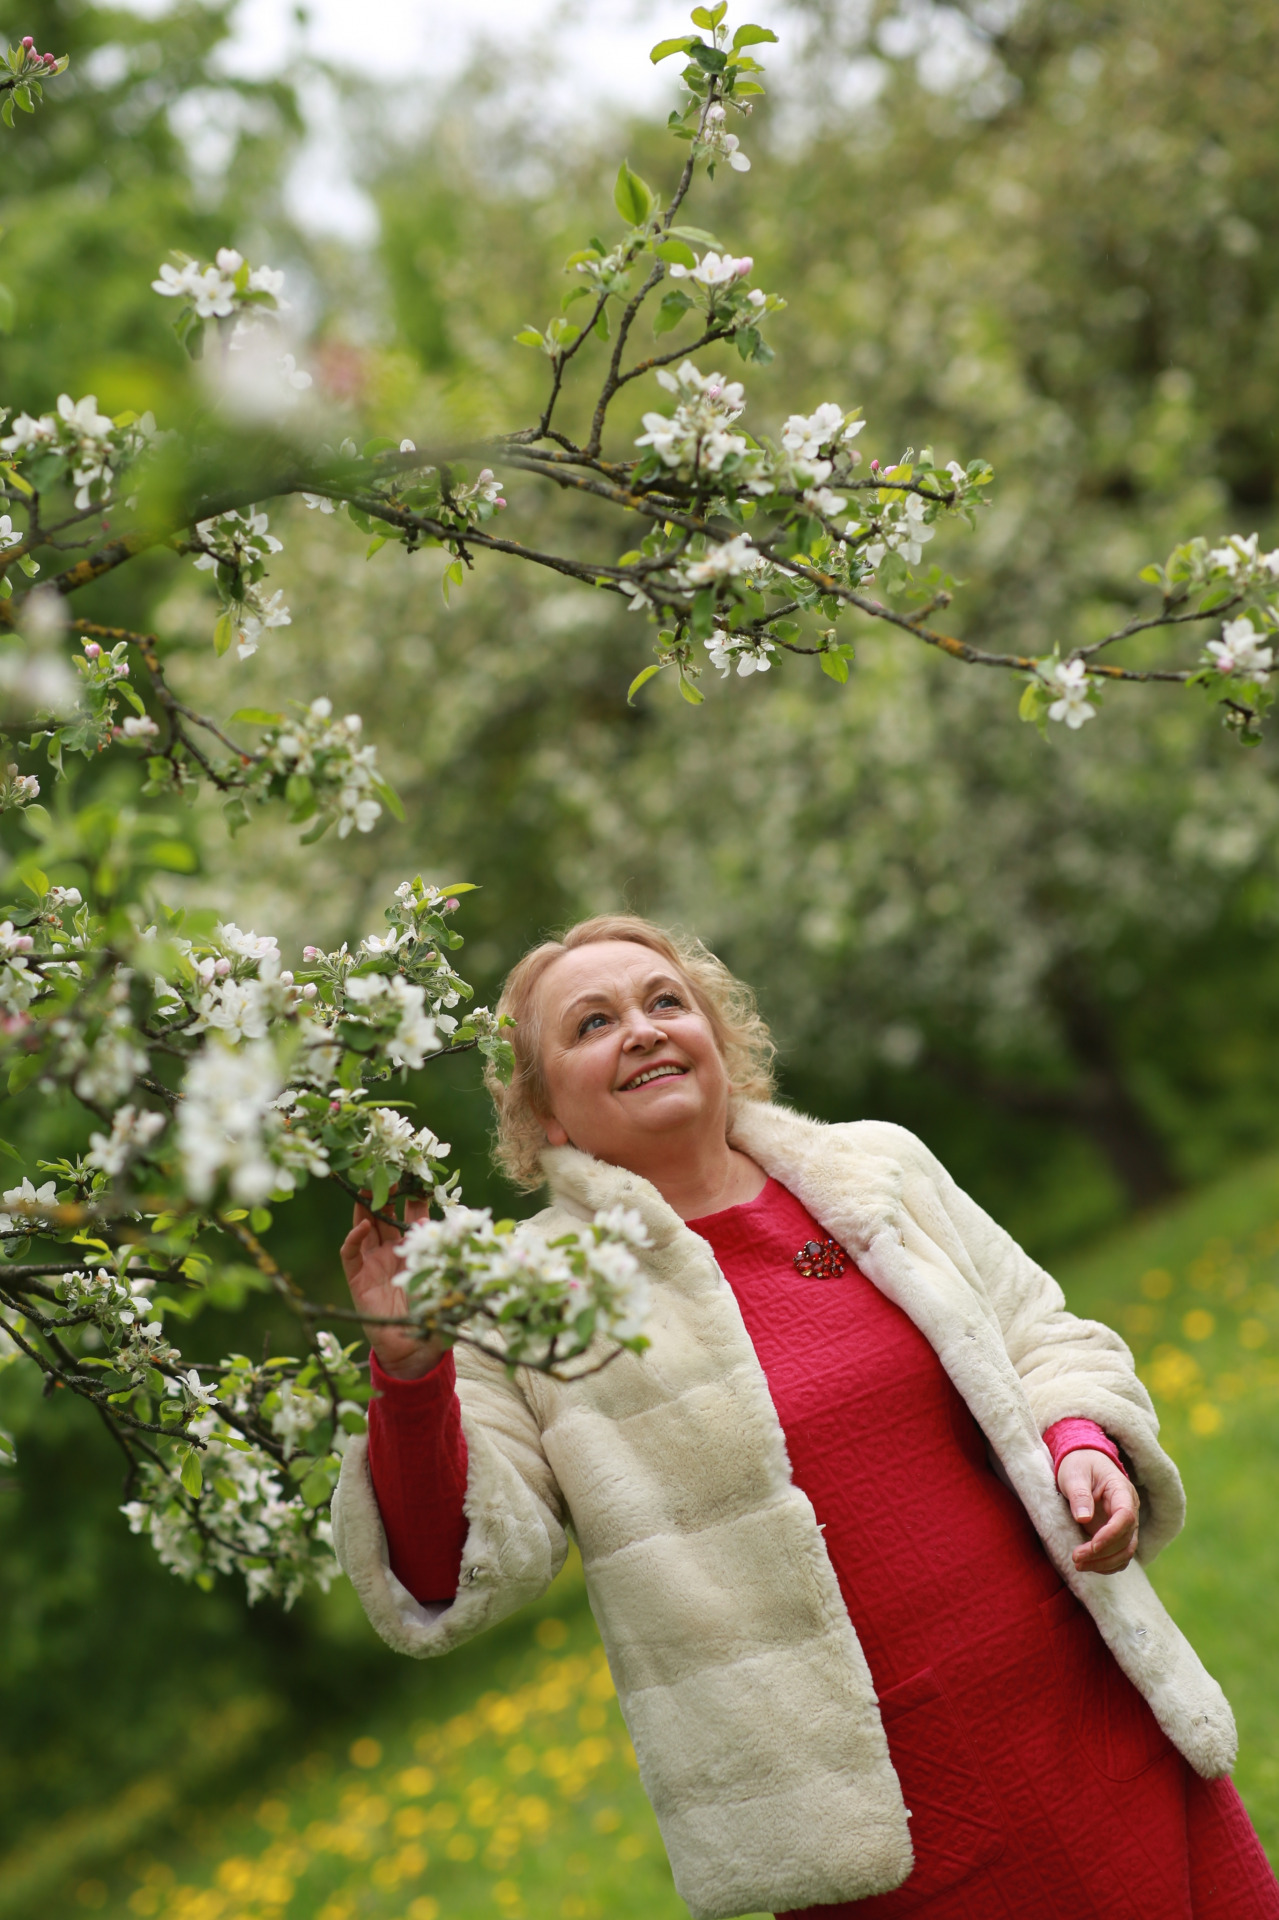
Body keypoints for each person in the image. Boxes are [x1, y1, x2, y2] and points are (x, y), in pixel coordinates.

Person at [332, 914, 1279, 1920]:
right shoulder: (522, 1301)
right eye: (593, 1023)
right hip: (877, 1816)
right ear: (544, 1112)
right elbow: (454, 1571)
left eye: (665, 1002)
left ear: (717, 1038)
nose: (643, 1030)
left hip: (1092, 1705)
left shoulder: (876, 1171)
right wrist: (410, 1372)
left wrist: (1081, 1442)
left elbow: (1040, 1333)